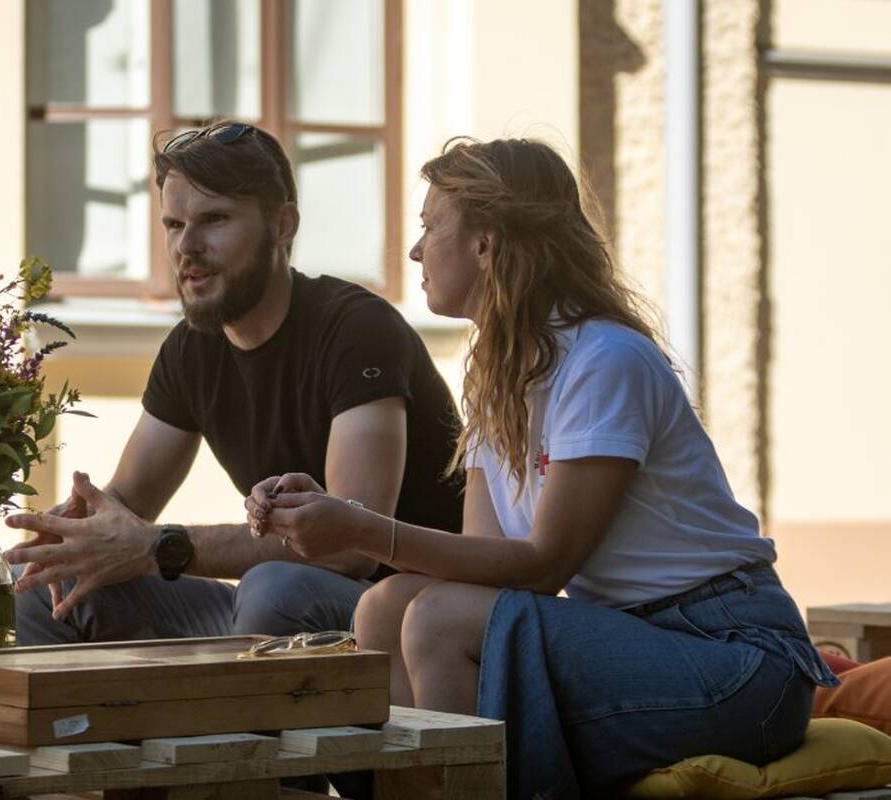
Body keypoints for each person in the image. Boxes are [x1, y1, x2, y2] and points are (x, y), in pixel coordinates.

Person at [248, 137, 838, 799]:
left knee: (438, 618)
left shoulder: (603, 361)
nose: (415, 251)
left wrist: (358, 529)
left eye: (430, 227)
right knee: (387, 607)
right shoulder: (500, 376)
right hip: (634, 641)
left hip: (733, 657)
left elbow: (543, 565)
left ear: (485, 245)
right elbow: (483, 561)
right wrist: (336, 514)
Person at [4, 121, 464, 646]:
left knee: (273, 590)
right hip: (270, 611)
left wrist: (160, 547)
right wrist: (74, 534)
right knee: (46, 580)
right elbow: (128, 501)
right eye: (174, 225)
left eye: (214, 219)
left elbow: (349, 548)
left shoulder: (357, 329)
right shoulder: (192, 348)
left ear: (283, 225)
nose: (187, 246)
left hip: (405, 616)